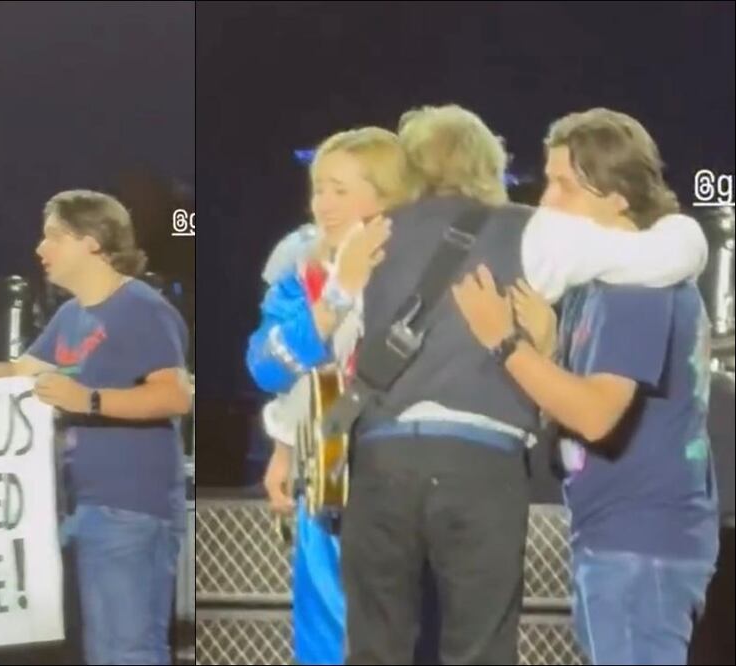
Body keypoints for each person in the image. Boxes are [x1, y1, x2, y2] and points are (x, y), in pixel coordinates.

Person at [246, 104, 708, 665]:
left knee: (374, 647)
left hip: (381, 465)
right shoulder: (531, 231)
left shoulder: (365, 243)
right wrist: (683, 227)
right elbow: (663, 255)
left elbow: (309, 366)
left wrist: (287, 438)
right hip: (481, 467)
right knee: (480, 648)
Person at [453, 108, 719, 665]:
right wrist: (549, 351)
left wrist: (505, 343)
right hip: (626, 540)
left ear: (617, 195)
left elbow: (598, 416)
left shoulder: (637, 284)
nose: (546, 201)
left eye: (565, 186)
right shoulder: (600, 284)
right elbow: (581, 410)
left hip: (636, 544)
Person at [0, 189, 192, 665]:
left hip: (129, 510)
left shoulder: (141, 306)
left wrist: (88, 400)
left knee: (124, 651)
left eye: (53, 236)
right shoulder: (70, 315)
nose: (40, 249)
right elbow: (18, 375)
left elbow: (175, 395)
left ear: (93, 241)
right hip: (75, 508)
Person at [250, 126, 442, 664]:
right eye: (318, 189)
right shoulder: (301, 265)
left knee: (403, 626)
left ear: (385, 193)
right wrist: (285, 447)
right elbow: (267, 366)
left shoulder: (428, 261)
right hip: (329, 465)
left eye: (340, 189)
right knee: (325, 626)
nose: (324, 204)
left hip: (407, 468)